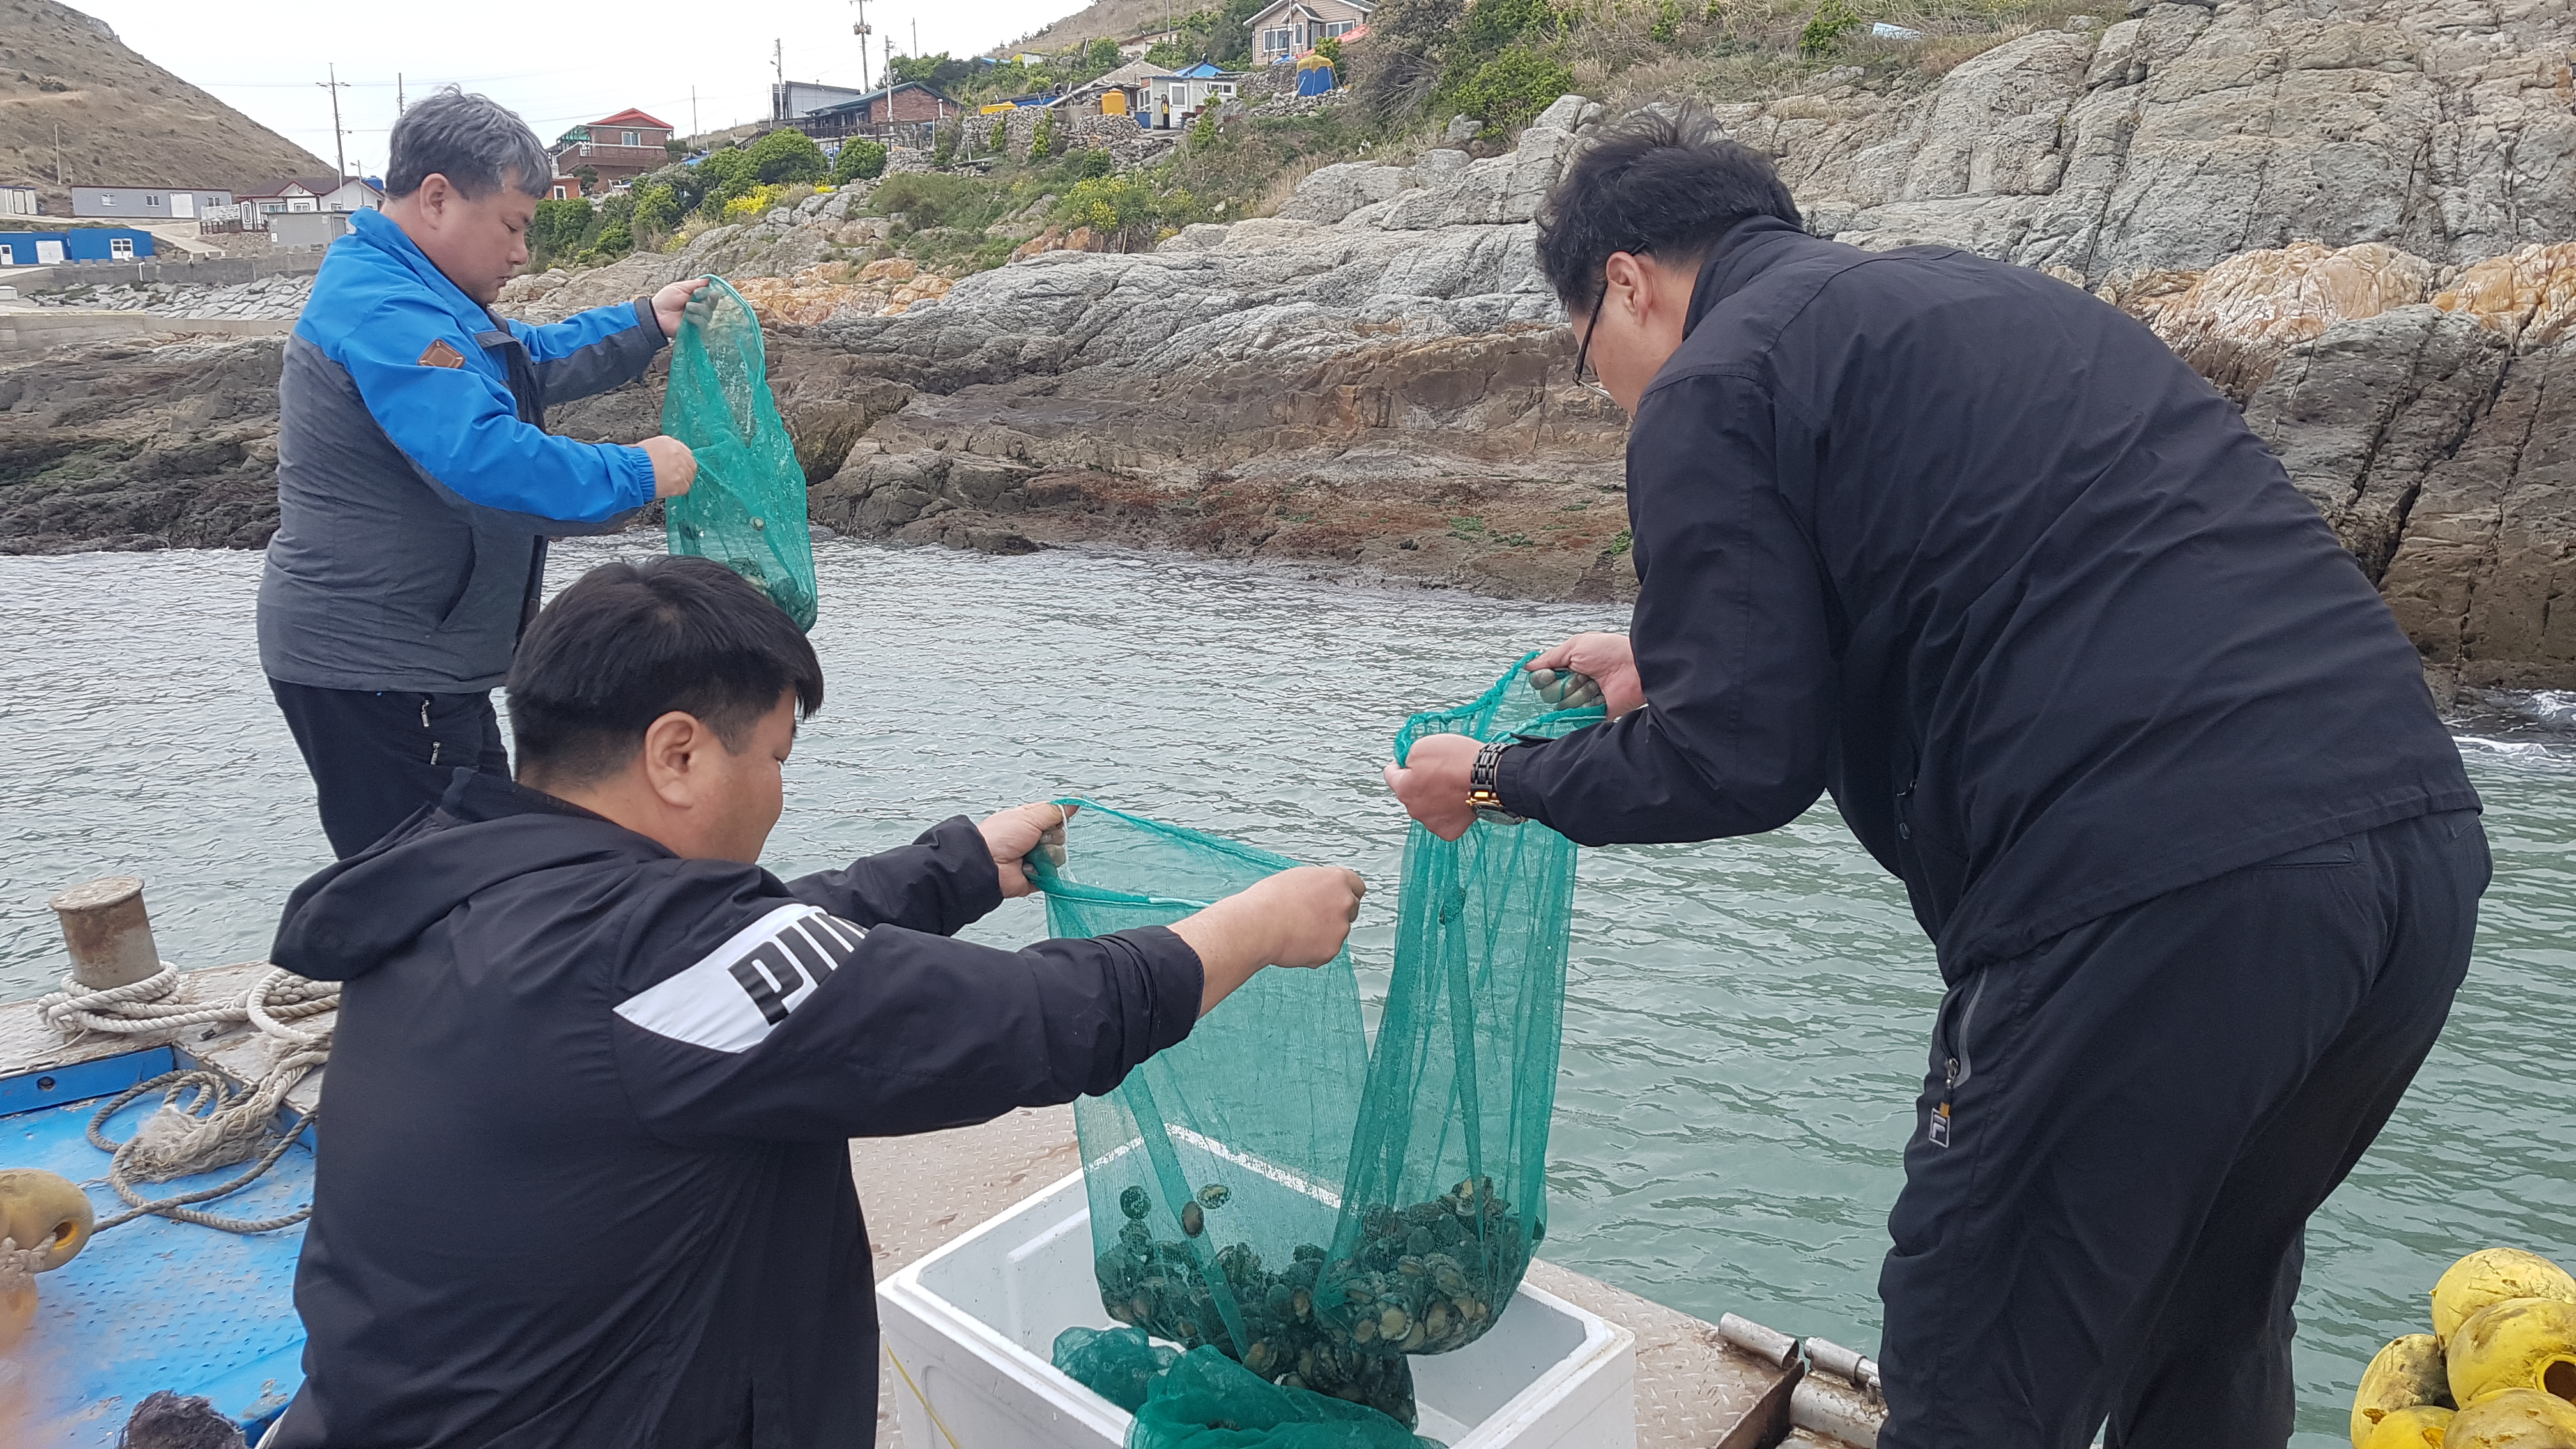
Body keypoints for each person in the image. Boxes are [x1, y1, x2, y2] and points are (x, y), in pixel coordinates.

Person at [1384, 109, 2488, 1448]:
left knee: (1976, 1355)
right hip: (2413, 851)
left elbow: (1739, 765)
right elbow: (2003, 579)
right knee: (2207, 1313)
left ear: (1627, 280)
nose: (1609, 387)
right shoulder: (1990, 299)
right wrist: (1659, 659)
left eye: (1585, 360)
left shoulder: (1713, 381)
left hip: (2152, 886)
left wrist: (1500, 778)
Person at [263, 554, 1367, 1446]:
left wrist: (959, 865)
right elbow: (1041, 1022)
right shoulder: (647, 965)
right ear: (678, 753)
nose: (782, 791)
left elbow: (758, 944)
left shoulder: (476, 891)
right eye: (779, 755)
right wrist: (1256, 928)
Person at [258, 86, 713, 858]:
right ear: (437, 198)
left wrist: (643, 323)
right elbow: (485, 458)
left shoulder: (419, 295)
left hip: (428, 657)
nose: (520, 254)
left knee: (479, 871)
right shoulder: (387, 312)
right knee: (425, 890)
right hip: (380, 667)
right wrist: (638, 472)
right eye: (512, 225)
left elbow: (521, 359)